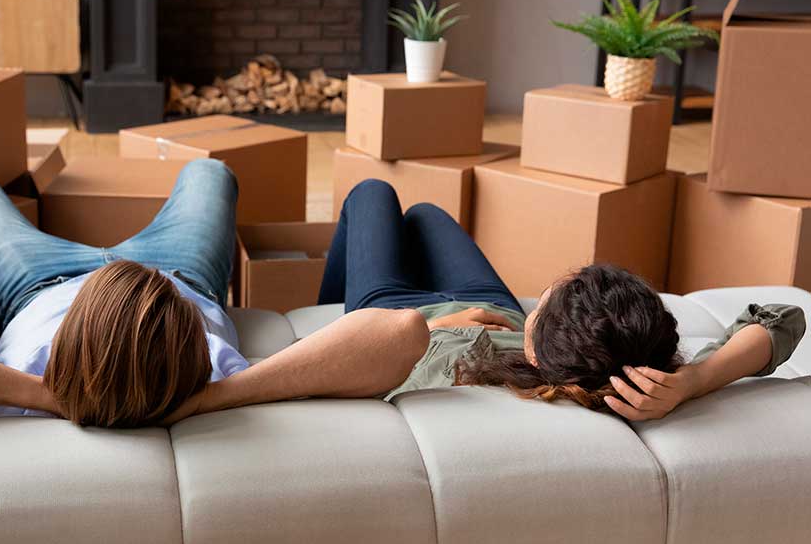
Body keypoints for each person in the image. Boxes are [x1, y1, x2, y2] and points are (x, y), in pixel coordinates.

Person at [0, 162, 427, 428]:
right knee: (210, 172)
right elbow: (403, 334)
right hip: (180, 275)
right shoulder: (214, 376)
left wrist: (42, 393)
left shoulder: (4, 397)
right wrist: (211, 399)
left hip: (34, 281)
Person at [314, 179, 807, 421]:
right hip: (495, 306)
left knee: (372, 192)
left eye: (548, 302)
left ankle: (322, 305)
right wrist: (695, 379)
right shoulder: (641, 374)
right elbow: (783, 317)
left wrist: (436, 332)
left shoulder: (457, 382)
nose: (550, 290)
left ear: (536, 353)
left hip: (400, 311)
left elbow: (363, 361)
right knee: (424, 214)